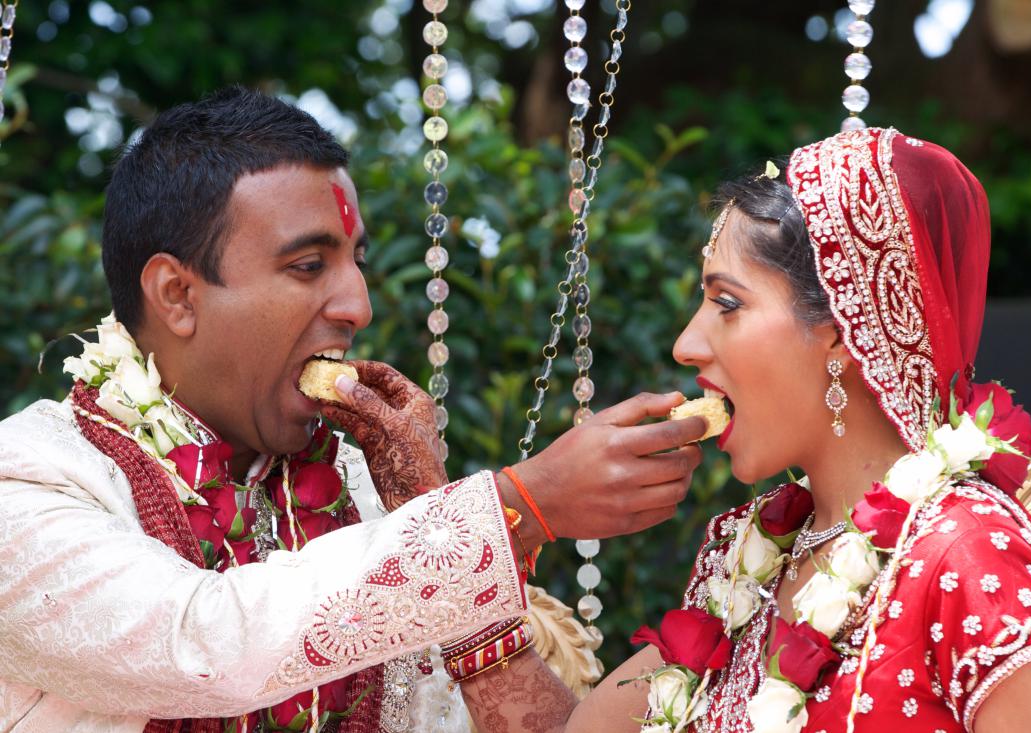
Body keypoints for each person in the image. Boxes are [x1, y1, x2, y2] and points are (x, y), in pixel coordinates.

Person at [0, 87, 707, 732]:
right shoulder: (31, 479)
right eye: (309, 266)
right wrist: (518, 503)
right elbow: (201, 642)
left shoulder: (375, 497)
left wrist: (440, 519)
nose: (358, 306)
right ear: (177, 295)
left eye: (356, 261)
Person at [455, 127, 1031, 732]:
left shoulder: (964, 552)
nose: (685, 344)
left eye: (727, 303)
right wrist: (523, 511)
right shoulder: (745, 557)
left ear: (846, 329)